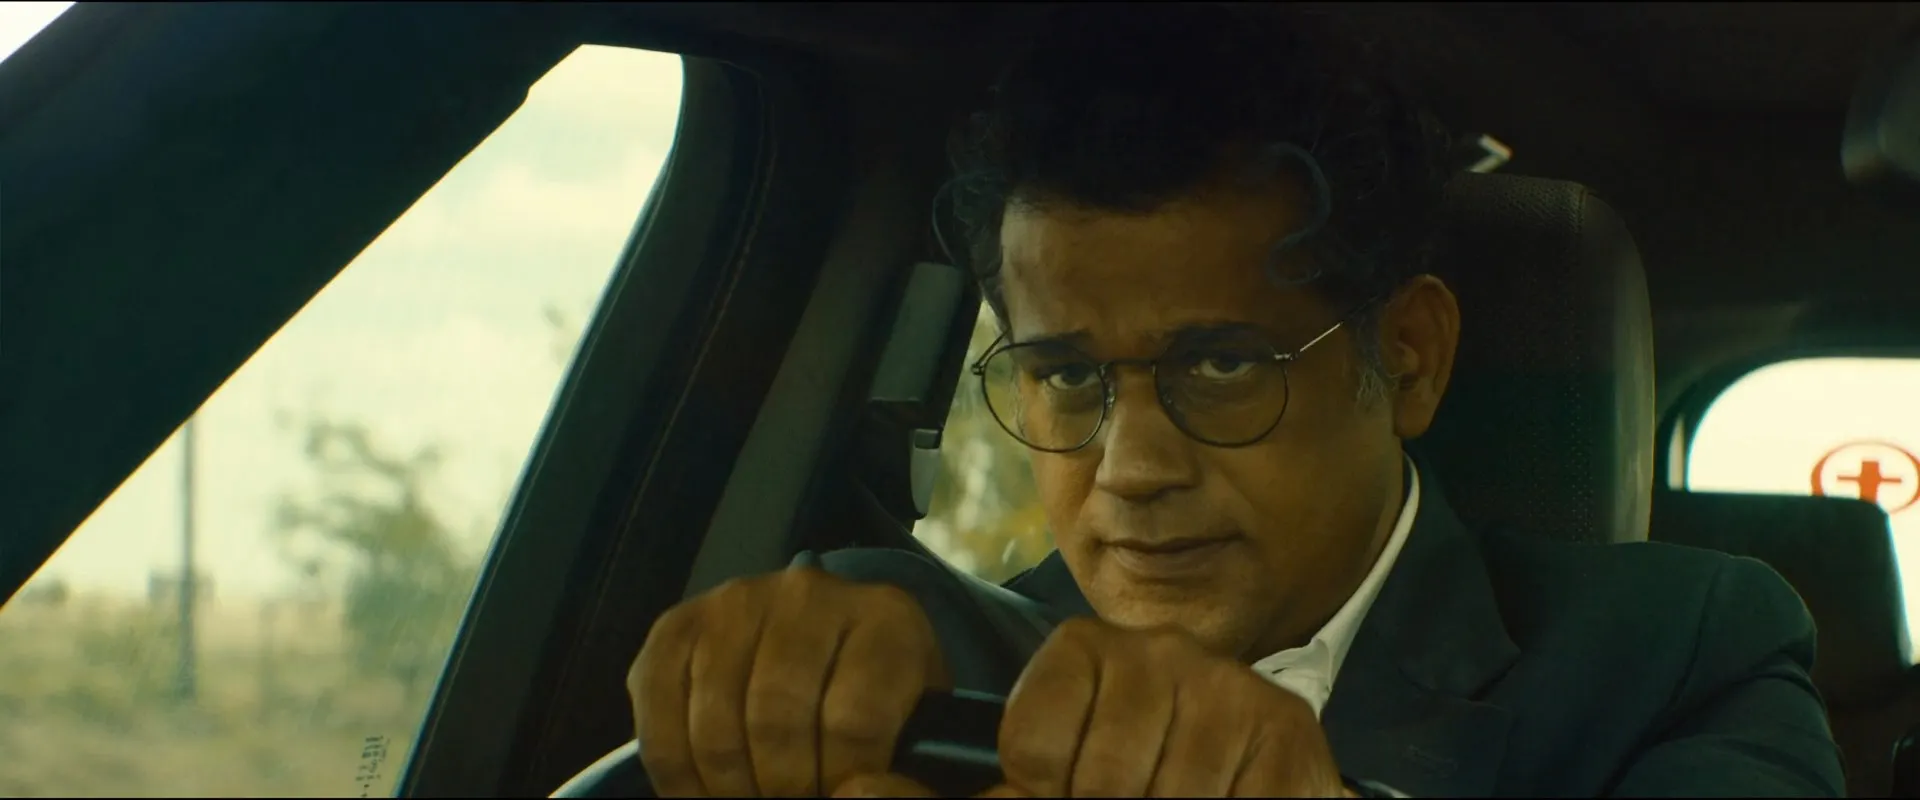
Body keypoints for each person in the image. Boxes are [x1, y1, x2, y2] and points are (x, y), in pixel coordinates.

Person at [627, 4, 1844, 798]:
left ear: (1409, 356)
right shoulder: (889, 652)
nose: (1131, 469)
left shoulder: (1679, 653)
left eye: (1220, 365)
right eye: (1067, 375)